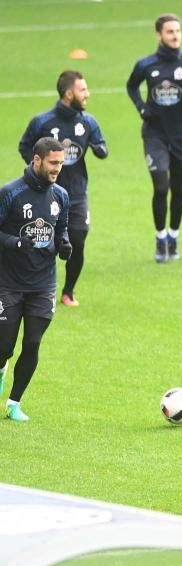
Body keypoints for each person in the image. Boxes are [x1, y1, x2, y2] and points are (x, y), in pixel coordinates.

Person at [126, 13, 182, 263]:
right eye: (170, 32)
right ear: (159, 35)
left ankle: (173, 235)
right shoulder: (146, 65)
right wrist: (142, 107)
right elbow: (131, 86)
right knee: (161, 185)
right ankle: (160, 236)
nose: (175, 36)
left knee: (179, 188)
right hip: (154, 135)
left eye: (178, 31)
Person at [18, 70, 107, 307]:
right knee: (39, 241)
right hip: (44, 193)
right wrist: (37, 171)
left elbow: (102, 146)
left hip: (76, 194)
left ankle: (68, 291)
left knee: (77, 241)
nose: (87, 94)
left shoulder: (88, 122)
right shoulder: (42, 122)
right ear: (69, 94)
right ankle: (35, 289)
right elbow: (25, 146)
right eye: (83, 89)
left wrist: (100, 149)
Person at [0, 138, 72, 422]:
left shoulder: (61, 196)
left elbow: (61, 228)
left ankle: (14, 403)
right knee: (4, 346)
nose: (57, 169)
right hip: (8, 283)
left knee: (32, 343)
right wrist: (17, 243)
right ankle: (2, 365)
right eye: (53, 163)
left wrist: (64, 245)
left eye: (61, 164)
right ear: (37, 159)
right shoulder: (10, 193)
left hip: (43, 285)